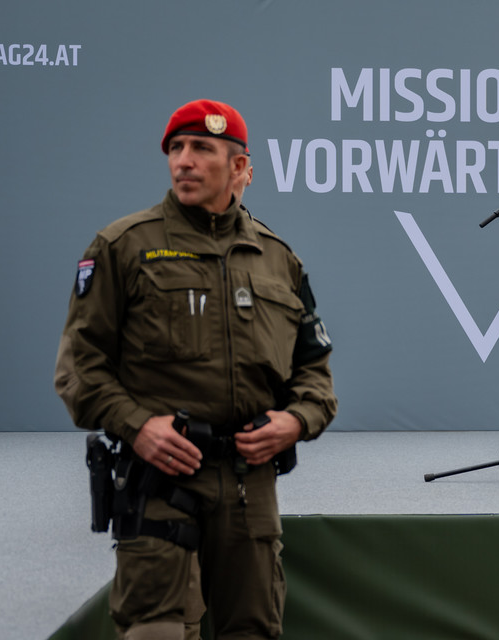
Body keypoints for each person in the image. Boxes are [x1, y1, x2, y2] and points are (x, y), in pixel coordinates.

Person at [54, 99, 337, 639]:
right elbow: (79, 368)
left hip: (249, 484)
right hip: (161, 476)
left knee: (252, 630)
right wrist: (138, 426)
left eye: (201, 148)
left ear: (239, 167)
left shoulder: (278, 259)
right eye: (176, 149)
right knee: (156, 631)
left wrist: (296, 420)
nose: (183, 160)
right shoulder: (123, 247)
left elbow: (314, 370)